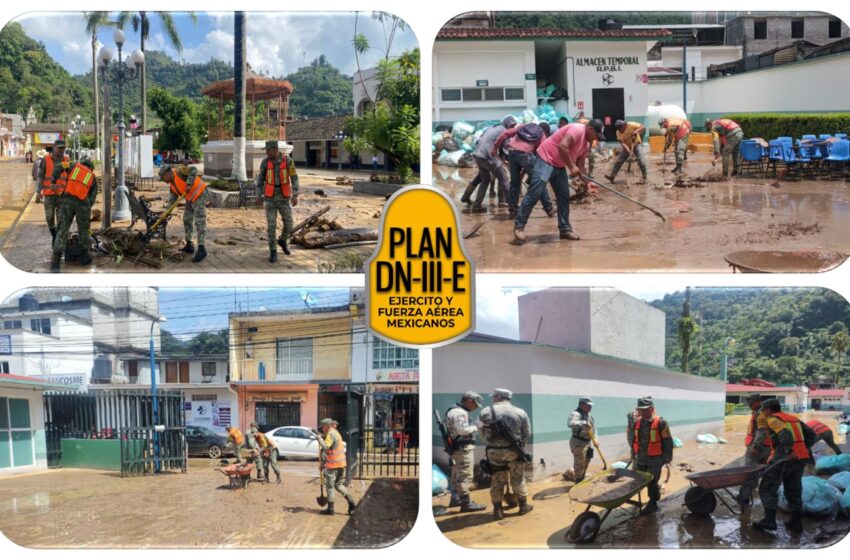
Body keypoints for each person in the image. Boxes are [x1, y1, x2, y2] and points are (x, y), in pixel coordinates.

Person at [513, 119, 605, 243]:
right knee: (535, 192)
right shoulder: (578, 129)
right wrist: (571, 167)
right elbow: (563, 145)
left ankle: (565, 229)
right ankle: (519, 226)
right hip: (546, 158)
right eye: (596, 136)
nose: (595, 139)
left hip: (559, 164)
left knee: (564, 197)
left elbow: (581, 165)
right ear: (591, 129)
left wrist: (587, 182)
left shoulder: (585, 144)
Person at [753, 399, 815, 533]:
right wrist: (803, 448)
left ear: (768, 409)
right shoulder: (793, 419)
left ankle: (769, 521)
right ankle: (796, 522)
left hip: (784, 459)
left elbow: (785, 435)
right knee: (793, 489)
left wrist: (789, 452)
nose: (763, 412)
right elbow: (811, 434)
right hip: (800, 459)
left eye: (763, 410)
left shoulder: (773, 420)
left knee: (767, 488)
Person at [478, 388, 533, 521]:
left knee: (497, 480)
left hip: (493, 452)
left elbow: (479, 430)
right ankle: (523, 506)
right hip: (514, 452)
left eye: (494, 397)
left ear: (497, 397)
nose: (492, 399)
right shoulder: (520, 412)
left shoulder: (484, 412)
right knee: (518, 478)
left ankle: (498, 510)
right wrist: (519, 446)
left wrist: (489, 442)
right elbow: (527, 433)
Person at [491, 122, 555, 219]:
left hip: (512, 151)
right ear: (545, 131)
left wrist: (495, 148)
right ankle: (549, 208)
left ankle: (513, 210)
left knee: (514, 183)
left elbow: (505, 134)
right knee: (539, 181)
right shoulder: (541, 135)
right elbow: (537, 157)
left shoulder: (524, 127)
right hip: (525, 154)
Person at [627, 396, 674, 515]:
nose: (641, 412)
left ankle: (653, 503)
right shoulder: (637, 422)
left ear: (652, 409)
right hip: (641, 458)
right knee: (639, 480)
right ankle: (639, 500)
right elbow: (633, 440)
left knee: (652, 482)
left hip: (655, 459)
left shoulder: (661, 422)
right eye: (640, 410)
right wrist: (633, 455)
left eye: (644, 409)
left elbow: (668, 441)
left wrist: (667, 458)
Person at [51, 158, 98, 273]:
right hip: (83, 203)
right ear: (91, 168)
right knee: (83, 230)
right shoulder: (92, 176)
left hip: (67, 200)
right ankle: (83, 258)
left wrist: (54, 179)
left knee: (62, 230)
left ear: (82, 164)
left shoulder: (73, 165)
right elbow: (93, 196)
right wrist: (87, 205)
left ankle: (55, 264)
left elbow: (60, 165)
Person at [255, 140, 299, 263]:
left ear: (275, 149)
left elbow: (294, 178)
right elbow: (260, 181)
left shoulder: (288, 161)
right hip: (269, 198)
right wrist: (259, 195)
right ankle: (273, 250)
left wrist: (295, 195)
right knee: (272, 226)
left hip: (284, 198)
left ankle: (283, 240)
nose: (266, 153)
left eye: (268, 150)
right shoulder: (265, 163)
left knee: (289, 224)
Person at [445, 391, 486, 512]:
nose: (475, 408)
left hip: (458, 448)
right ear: (469, 401)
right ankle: (466, 504)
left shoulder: (453, 410)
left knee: (456, 474)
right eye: (475, 404)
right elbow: (462, 430)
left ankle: (456, 499)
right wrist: (476, 426)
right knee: (465, 476)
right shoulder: (460, 413)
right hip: (463, 449)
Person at [464, 116, 516, 212]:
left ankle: (476, 206)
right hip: (488, 156)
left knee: (485, 180)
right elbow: (506, 146)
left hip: (478, 155)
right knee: (504, 179)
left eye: (514, 126)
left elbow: (484, 140)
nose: (512, 127)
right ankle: (512, 205)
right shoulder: (504, 131)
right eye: (512, 125)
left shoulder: (492, 127)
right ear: (507, 123)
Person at [158, 164, 208, 263]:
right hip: (191, 199)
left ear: (167, 173)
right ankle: (189, 244)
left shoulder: (180, 171)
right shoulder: (172, 186)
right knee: (186, 219)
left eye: (163, 178)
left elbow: (193, 169)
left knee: (199, 221)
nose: (163, 181)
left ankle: (202, 248)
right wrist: (166, 213)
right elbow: (172, 202)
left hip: (200, 193)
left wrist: (189, 184)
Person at [317, 418, 357, 515]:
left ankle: (330, 509)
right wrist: (323, 463)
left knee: (330, 487)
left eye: (322, 426)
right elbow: (331, 450)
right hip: (341, 464)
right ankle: (351, 502)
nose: (322, 428)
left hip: (333, 465)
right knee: (338, 485)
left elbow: (326, 447)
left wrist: (319, 439)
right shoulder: (336, 433)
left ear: (326, 426)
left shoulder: (330, 434)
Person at [738, 393, 772, 506]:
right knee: (760, 473)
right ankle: (756, 495)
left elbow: (761, 431)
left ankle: (743, 498)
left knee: (748, 473)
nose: (750, 406)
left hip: (758, 447)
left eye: (751, 404)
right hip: (767, 448)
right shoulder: (767, 412)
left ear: (758, 402)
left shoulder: (760, 414)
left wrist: (755, 447)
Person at [36, 141, 69, 247]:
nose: (61, 150)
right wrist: (38, 191)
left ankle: (57, 241)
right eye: (59, 148)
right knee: (49, 217)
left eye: (63, 148)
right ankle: (54, 234)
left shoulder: (66, 160)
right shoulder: (46, 159)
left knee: (60, 219)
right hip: (49, 194)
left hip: (62, 195)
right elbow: (40, 176)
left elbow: (69, 176)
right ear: (54, 147)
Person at [604, 120, 647, 184]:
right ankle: (612, 177)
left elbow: (643, 127)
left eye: (621, 129)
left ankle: (644, 178)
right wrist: (629, 151)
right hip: (627, 146)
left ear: (624, 126)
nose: (620, 131)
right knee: (619, 161)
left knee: (641, 161)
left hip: (637, 144)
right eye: (618, 130)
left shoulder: (631, 124)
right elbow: (622, 143)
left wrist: (636, 131)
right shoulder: (618, 132)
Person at [567, 397, 596, 483]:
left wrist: (595, 439)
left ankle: (581, 478)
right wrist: (583, 423)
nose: (590, 407)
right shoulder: (576, 414)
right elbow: (570, 423)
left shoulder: (588, 415)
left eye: (590, 406)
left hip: (587, 442)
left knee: (587, 460)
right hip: (578, 443)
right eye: (588, 406)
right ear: (581, 405)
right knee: (579, 464)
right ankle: (578, 483)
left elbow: (593, 428)